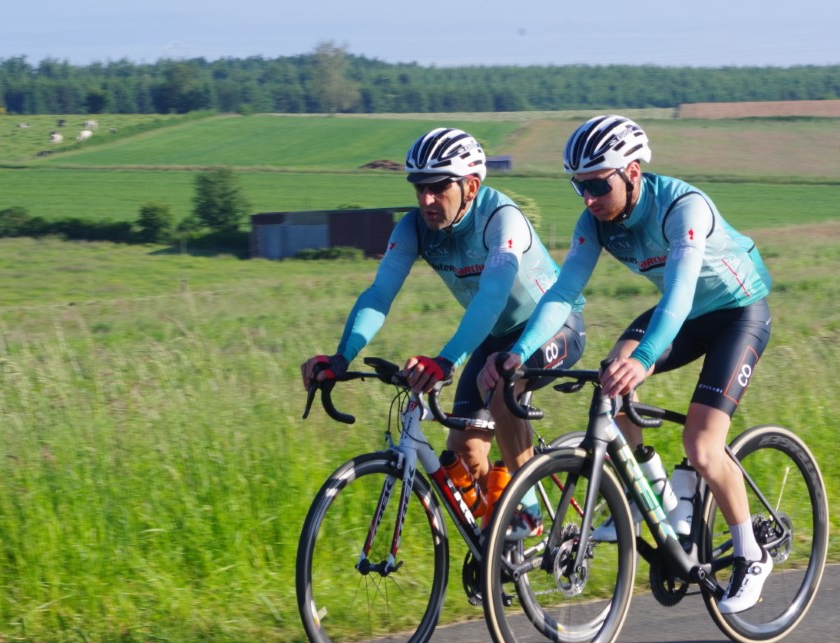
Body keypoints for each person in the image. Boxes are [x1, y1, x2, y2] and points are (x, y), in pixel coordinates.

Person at [479, 115, 773, 613]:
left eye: (598, 185)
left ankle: (751, 554)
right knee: (611, 378)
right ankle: (652, 496)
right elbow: (563, 293)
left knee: (702, 445)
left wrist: (645, 358)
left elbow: (679, 294)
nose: (588, 199)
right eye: (580, 187)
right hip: (683, 315)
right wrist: (519, 353)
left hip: (736, 314)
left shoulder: (682, 208)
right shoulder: (595, 222)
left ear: (632, 172)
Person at [302, 127, 586, 536]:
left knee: (503, 390)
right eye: (419, 187)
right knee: (466, 450)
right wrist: (340, 357)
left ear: (471, 186)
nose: (426, 200)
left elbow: (491, 295)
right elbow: (379, 294)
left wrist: (446, 360)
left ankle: (527, 517)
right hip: (491, 337)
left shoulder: (501, 219)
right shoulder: (413, 228)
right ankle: (501, 543)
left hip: (552, 327)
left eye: (438, 188)